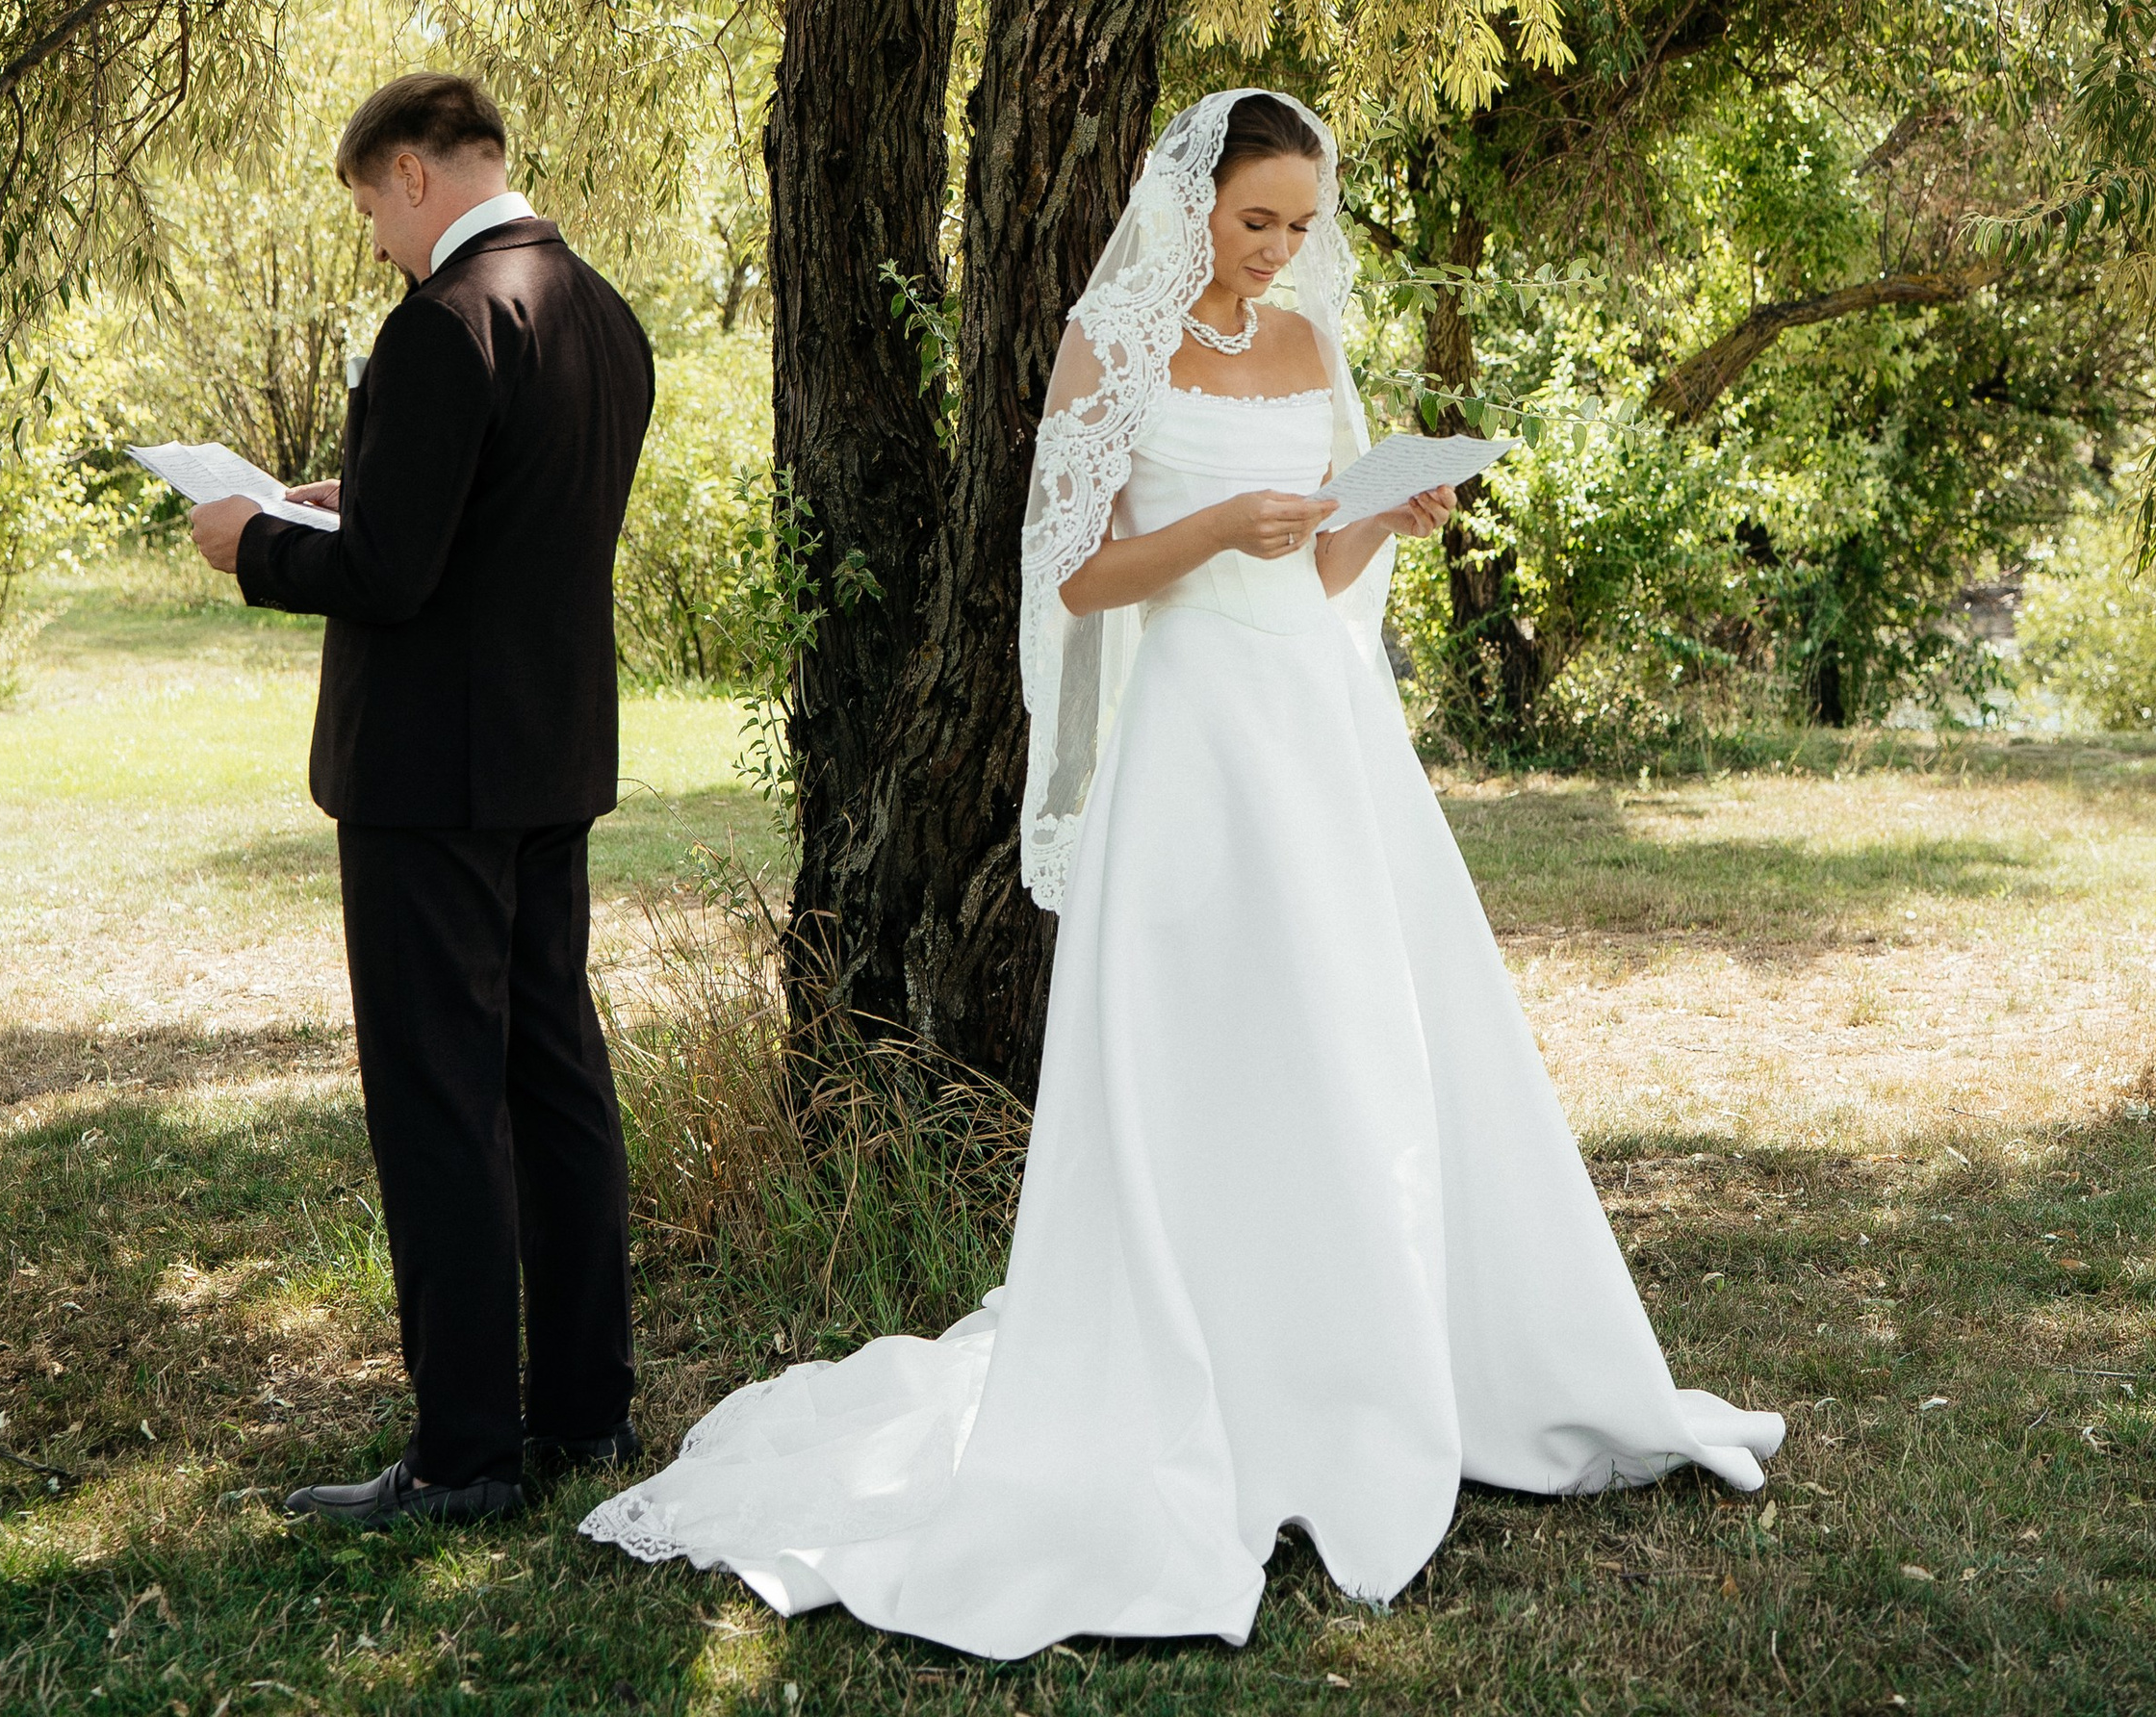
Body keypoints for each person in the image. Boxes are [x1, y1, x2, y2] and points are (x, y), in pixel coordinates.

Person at [580, 89, 1781, 1653]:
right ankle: (1209, 1369)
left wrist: (1388, 516)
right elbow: (1074, 572)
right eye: (1254, 221)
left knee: (1358, 1039)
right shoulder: (1114, 346)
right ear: (1191, 207)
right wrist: (1215, 525)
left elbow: (1327, 559)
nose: (1278, 253)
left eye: (1300, 225)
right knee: (1213, 1047)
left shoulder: (1311, 346)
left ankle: (1369, 1362)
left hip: (1326, 733)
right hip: (1198, 735)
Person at [186, 71, 655, 1530]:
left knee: (442, 1102)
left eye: (372, 215)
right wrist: (359, 490)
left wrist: (251, 541)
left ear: (408, 176)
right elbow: (495, 523)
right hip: (549, 754)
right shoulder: (599, 313)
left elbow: (394, 581)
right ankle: (585, 1411)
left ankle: (462, 1454)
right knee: (556, 1082)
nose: (379, 246)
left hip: (428, 780)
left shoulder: (444, 325)